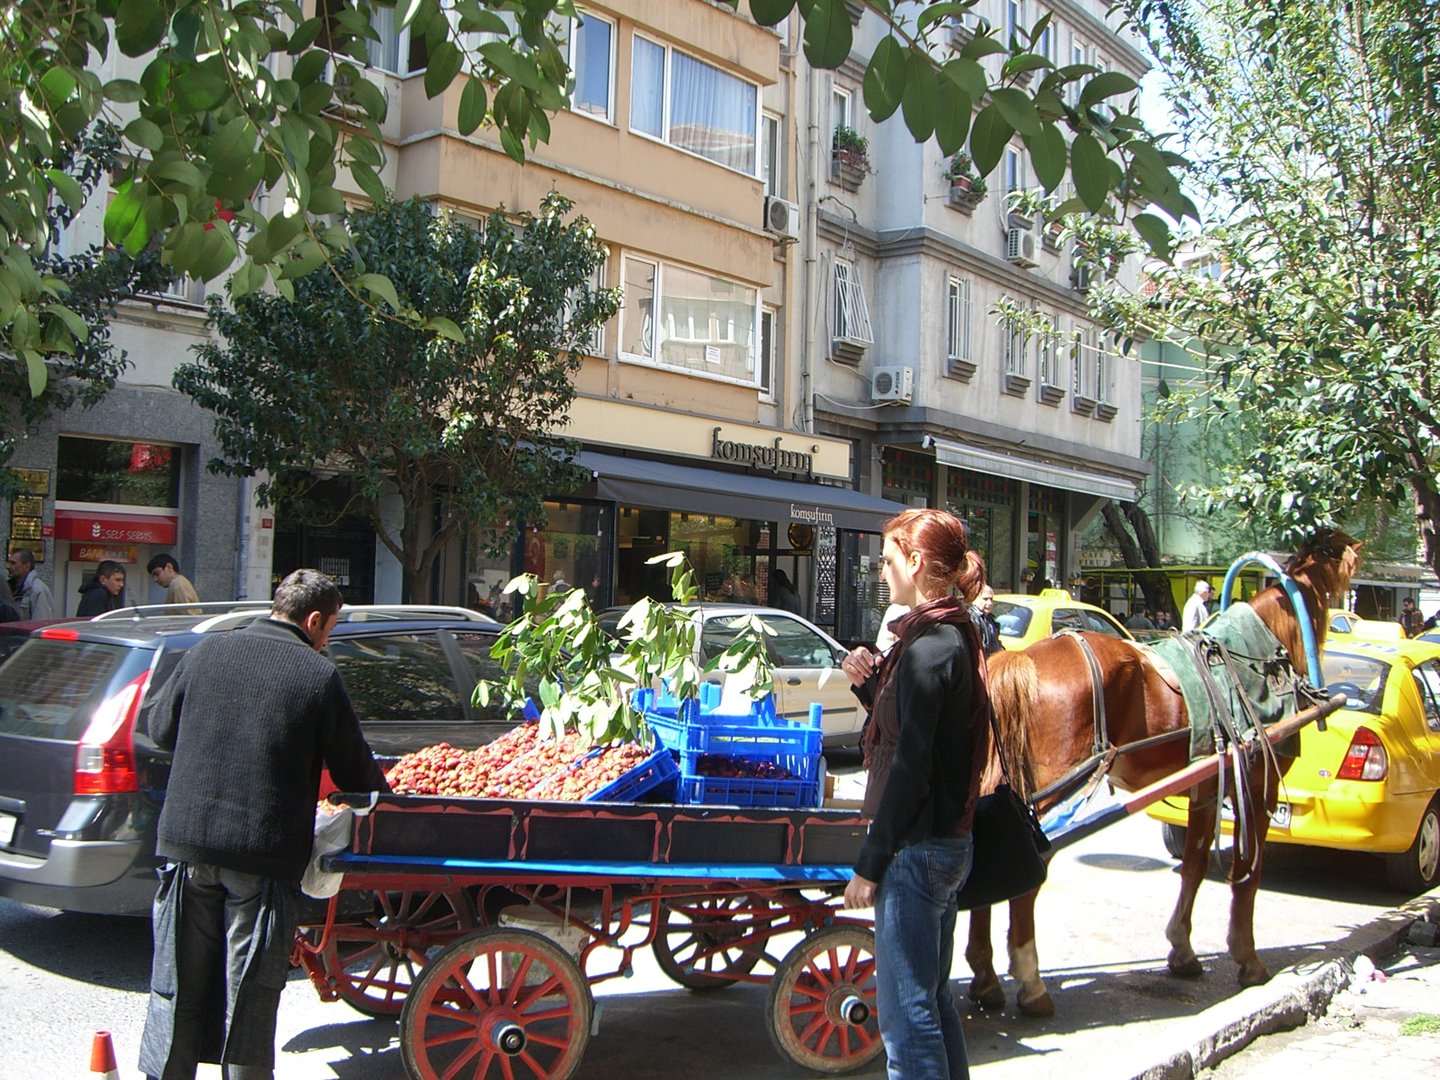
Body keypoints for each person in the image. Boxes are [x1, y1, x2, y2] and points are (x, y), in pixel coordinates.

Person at [138, 569, 390, 1080]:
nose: (328, 639)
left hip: (187, 847)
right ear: (314, 620)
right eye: (331, 628)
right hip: (262, 855)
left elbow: (158, 727)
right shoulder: (316, 676)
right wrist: (389, 802)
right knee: (248, 999)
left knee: (178, 987)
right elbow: (355, 773)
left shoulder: (206, 651)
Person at [838, 508, 990, 1079]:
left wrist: (870, 865)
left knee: (905, 1024)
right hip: (943, 845)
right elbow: (919, 731)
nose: (883, 572)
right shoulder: (949, 637)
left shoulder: (931, 647)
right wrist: (871, 683)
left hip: (917, 851)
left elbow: (910, 766)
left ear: (917, 563)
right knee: (932, 1002)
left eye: (888, 560)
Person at [6, 548, 54, 620]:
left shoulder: (38, 590)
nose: (8, 566)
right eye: (8, 562)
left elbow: (40, 623)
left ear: (26, 566)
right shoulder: (10, 587)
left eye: (13, 563)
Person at [973, 583, 1002, 656]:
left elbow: (995, 641)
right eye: (985, 599)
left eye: (991, 599)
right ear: (975, 599)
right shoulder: (973, 618)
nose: (989, 603)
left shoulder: (990, 618)